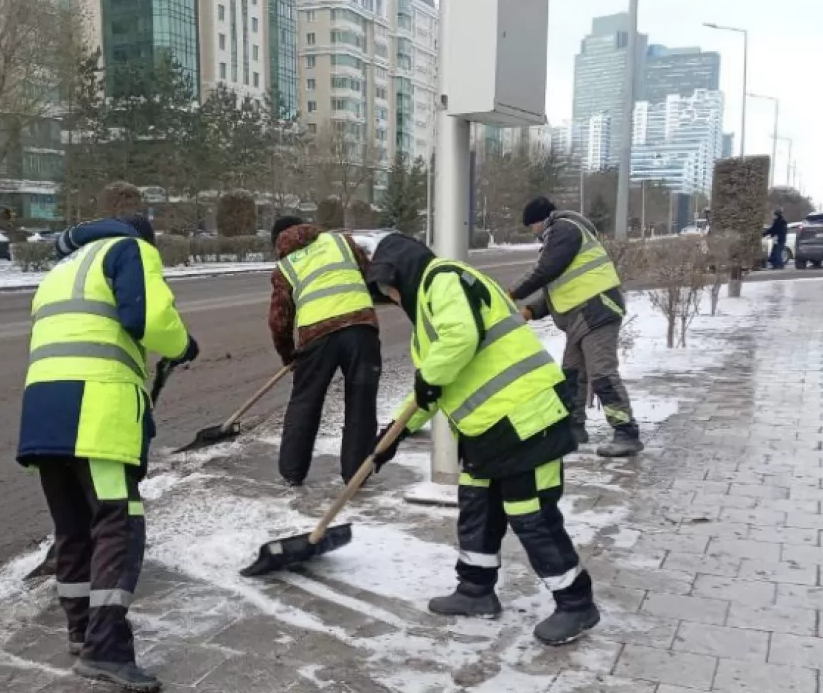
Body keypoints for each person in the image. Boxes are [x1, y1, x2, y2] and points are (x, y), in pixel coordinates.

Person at [366, 233, 599, 646]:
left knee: (532, 515)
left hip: (529, 419)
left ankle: (576, 603)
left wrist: (428, 383)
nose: (394, 299)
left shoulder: (445, 279)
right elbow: (432, 388)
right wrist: (393, 436)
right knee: (476, 505)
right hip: (489, 432)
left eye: (391, 289)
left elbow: (459, 341)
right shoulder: (427, 315)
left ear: (401, 274)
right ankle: (475, 590)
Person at [17, 211, 198, 692]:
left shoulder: (62, 268)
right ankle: (106, 649)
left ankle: (81, 633)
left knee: (73, 528)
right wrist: (182, 344)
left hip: (43, 413)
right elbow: (148, 318)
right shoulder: (130, 249)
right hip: (95, 413)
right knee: (119, 523)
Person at [509, 197, 643, 458]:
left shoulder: (564, 229)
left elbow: (545, 271)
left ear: (541, 220)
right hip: (580, 316)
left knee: (602, 373)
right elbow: (559, 288)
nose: (533, 232)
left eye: (532, 226)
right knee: (571, 374)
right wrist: (529, 311)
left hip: (597, 310)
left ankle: (626, 433)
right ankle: (574, 429)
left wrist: (511, 294)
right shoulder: (563, 235)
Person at [269, 216, 381, 486]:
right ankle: (356, 474)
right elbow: (368, 275)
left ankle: (292, 471)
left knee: (305, 402)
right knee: (361, 402)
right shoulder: (341, 242)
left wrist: (288, 354)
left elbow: (279, 320)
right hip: (361, 329)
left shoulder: (285, 267)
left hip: (316, 337)